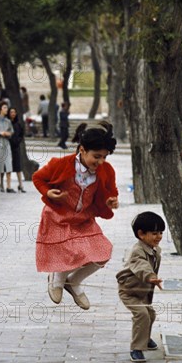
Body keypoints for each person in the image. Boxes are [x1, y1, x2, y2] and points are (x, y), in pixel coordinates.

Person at [33, 121, 119, 310]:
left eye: (104, 157)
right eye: (96, 157)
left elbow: (111, 191)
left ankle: (73, 282)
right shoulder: (61, 164)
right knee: (71, 253)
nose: (101, 162)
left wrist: (112, 201)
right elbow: (38, 178)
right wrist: (47, 193)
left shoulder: (106, 170)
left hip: (84, 218)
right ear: (82, 150)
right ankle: (57, 279)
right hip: (58, 216)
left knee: (102, 252)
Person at [116, 212, 165, 363]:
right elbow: (141, 266)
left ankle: (145, 338)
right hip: (129, 291)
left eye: (161, 233)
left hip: (142, 291)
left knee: (150, 315)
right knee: (142, 315)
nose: (159, 237)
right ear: (141, 234)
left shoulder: (156, 250)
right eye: (154, 233)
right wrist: (151, 277)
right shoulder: (137, 251)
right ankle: (136, 348)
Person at [8, 106, 25, 192]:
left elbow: (21, 134)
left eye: (14, 112)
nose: (13, 114)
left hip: (16, 147)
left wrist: (18, 141)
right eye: (11, 112)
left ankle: (21, 185)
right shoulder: (7, 123)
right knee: (8, 167)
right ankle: (7, 185)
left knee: (18, 167)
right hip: (8, 147)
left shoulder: (18, 124)